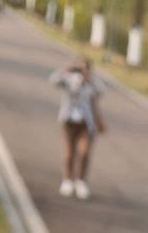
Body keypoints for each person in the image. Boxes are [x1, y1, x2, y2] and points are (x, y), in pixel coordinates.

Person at [50, 57, 105, 200]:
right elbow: (53, 80)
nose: (81, 72)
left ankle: (80, 182)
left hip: (86, 124)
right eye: (80, 68)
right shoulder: (68, 80)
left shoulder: (91, 84)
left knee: (84, 153)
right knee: (69, 154)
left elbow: (102, 90)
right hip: (68, 122)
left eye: (85, 69)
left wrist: (89, 78)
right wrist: (67, 69)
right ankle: (67, 180)